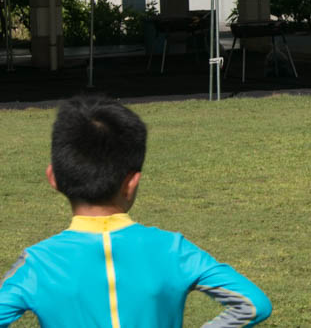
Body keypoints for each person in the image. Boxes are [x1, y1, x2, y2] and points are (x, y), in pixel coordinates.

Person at [0, 95, 272, 327]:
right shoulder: (174, 250)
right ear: (132, 183)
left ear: (54, 179)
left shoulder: (36, 264)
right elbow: (253, 305)